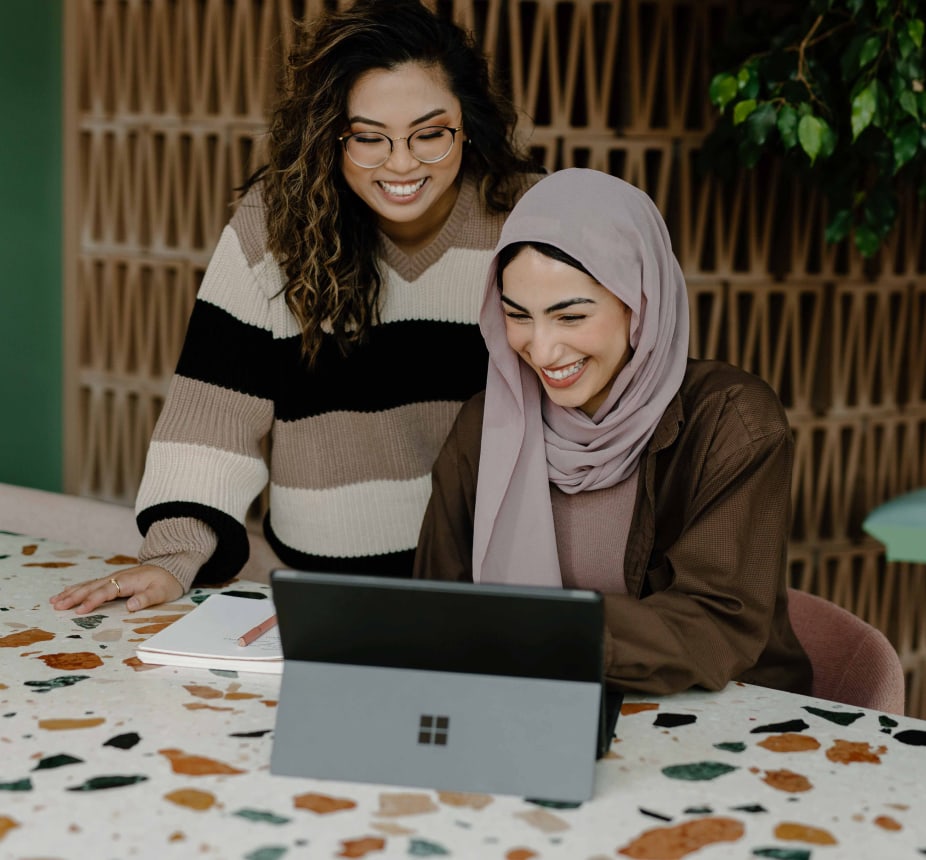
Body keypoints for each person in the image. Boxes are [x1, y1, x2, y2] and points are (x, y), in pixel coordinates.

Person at [51, 0, 540, 615]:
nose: (401, 163)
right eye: (368, 138)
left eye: (430, 134)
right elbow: (214, 413)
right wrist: (173, 558)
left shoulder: (526, 217)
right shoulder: (274, 224)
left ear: (467, 123)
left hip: (491, 584)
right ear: (329, 135)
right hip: (319, 593)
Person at [413, 168, 813, 696]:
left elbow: (716, 622)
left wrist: (542, 634)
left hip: (721, 717)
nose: (542, 349)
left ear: (639, 301)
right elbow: (435, 602)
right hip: (537, 707)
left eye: (570, 317)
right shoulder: (486, 427)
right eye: (518, 316)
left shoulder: (731, 423)